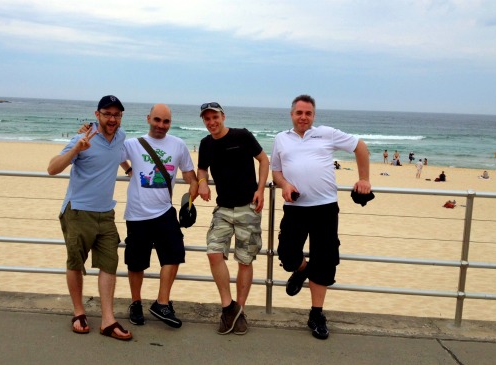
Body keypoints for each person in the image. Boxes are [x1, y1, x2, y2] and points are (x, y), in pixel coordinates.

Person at [271, 95, 371, 340]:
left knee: (324, 261)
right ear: (291, 114)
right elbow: (276, 170)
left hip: (325, 208)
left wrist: (364, 179)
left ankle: (316, 314)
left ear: (314, 116)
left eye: (308, 113)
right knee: (287, 254)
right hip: (294, 207)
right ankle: (302, 270)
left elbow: (360, 146)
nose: (303, 117)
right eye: (299, 113)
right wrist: (283, 184)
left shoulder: (327, 133)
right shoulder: (281, 139)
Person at [47, 95, 132, 340]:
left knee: (109, 264)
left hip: (106, 213)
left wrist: (127, 168)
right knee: (75, 262)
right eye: (107, 114)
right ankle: (79, 312)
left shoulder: (120, 136)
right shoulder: (82, 139)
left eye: (117, 114)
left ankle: (108, 320)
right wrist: (76, 148)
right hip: (78, 211)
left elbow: (117, 154)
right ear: (97, 115)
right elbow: (52, 169)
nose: (112, 119)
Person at [196, 102, 269, 335]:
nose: (211, 122)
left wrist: (261, 190)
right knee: (214, 252)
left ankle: (241, 311)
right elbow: (202, 169)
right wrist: (202, 183)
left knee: (245, 260)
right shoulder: (206, 144)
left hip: (248, 206)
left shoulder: (242, 136)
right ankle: (229, 308)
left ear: (223, 116)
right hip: (223, 209)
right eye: (206, 119)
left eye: (214, 117)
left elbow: (264, 160)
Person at [123, 104, 199, 329]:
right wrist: (127, 169)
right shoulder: (132, 144)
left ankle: (162, 303)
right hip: (137, 214)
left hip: (165, 211)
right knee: (136, 263)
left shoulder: (178, 144)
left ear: (170, 123)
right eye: (157, 120)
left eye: (165, 122)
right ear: (148, 119)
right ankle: (136, 303)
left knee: (174, 254)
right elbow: (112, 152)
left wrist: (194, 188)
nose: (161, 125)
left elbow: (188, 173)